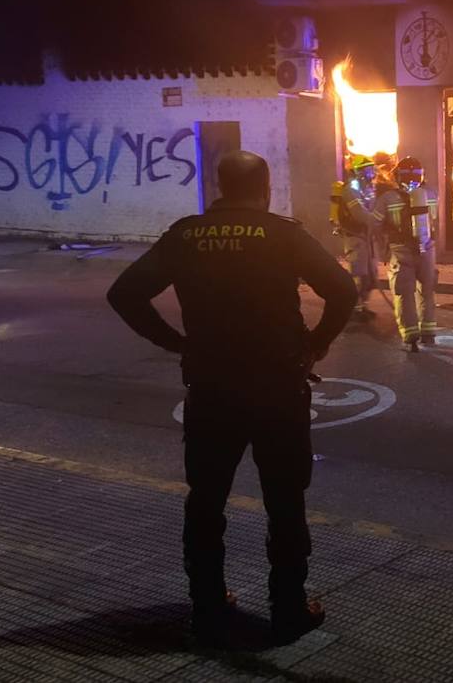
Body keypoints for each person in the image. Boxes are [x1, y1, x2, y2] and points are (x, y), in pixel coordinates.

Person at [106, 150, 356, 644]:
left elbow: (124, 294)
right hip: (278, 390)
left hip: (212, 390)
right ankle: (288, 608)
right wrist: (314, 344)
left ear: (218, 187)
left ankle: (208, 607)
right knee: (285, 501)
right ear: (264, 190)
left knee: (206, 502)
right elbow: (343, 290)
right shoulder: (284, 234)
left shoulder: (186, 234)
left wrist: (176, 342)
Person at [373, 156, 439, 351]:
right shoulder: (431, 193)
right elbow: (434, 220)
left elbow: (374, 224)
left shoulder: (387, 198)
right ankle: (428, 332)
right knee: (427, 291)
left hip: (400, 251)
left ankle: (410, 336)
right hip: (426, 250)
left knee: (404, 294)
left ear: (397, 176)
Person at [331, 154, 379, 320]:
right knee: (359, 273)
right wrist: (378, 222)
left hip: (367, 236)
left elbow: (373, 208)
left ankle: (362, 306)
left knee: (372, 275)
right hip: (355, 237)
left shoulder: (368, 188)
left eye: (371, 168)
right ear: (358, 171)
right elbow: (360, 214)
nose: (371, 172)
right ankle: (354, 308)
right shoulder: (350, 190)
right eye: (367, 169)